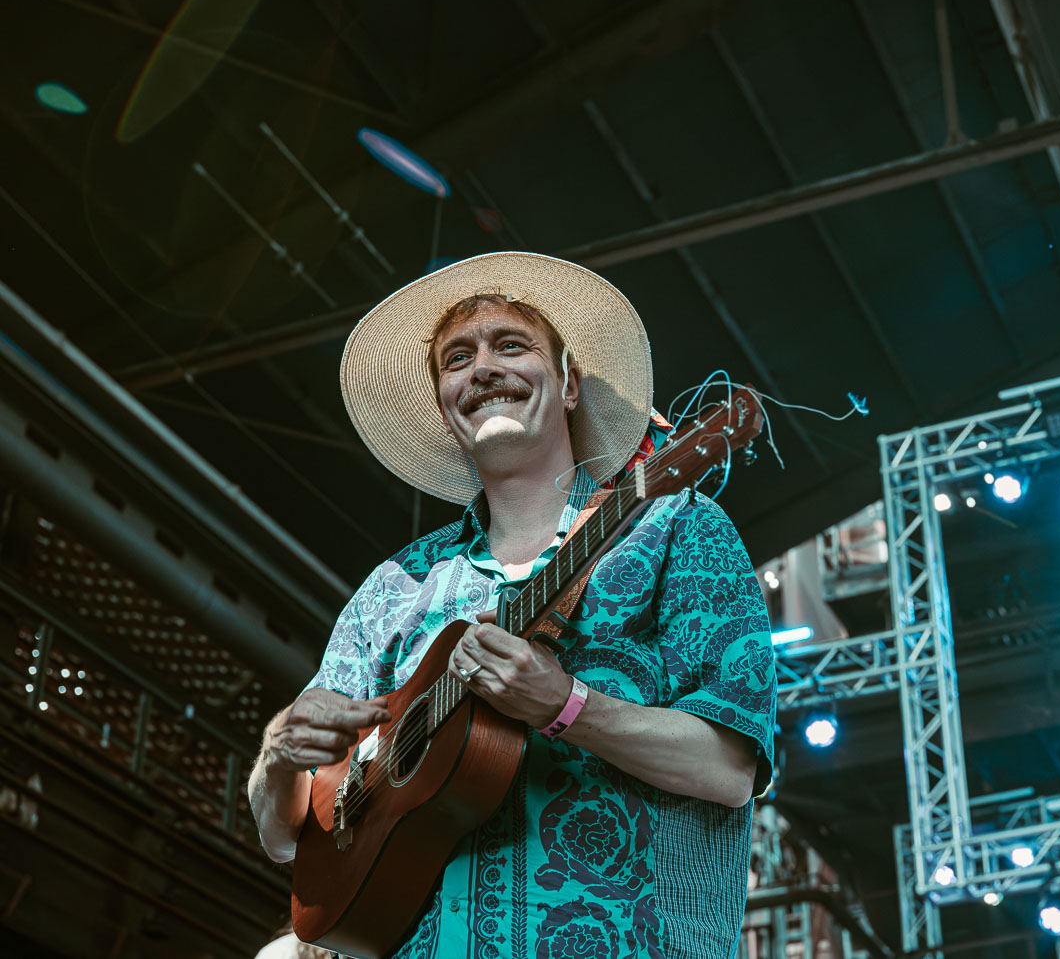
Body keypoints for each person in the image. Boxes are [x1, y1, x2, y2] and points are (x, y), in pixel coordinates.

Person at [246, 252, 777, 959]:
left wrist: (566, 704)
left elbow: (732, 770)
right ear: (446, 407)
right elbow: (286, 836)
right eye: (457, 358)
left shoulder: (676, 528)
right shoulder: (394, 586)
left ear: (569, 383)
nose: (483, 368)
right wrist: (280, 753)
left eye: (511, 345)